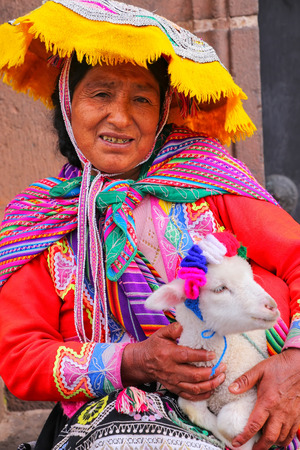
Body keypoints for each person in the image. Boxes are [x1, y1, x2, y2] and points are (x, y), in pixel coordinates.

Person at [0, 1, 300, 449]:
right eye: (100, 94)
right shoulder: (37, 219)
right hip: (116, 422)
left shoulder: (206, 179)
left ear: (161, 112)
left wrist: (294, 362)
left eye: (141, 98)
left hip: (252, 403)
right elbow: (21, 357)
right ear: (67, 105)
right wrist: (131, 361)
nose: (120, 117)